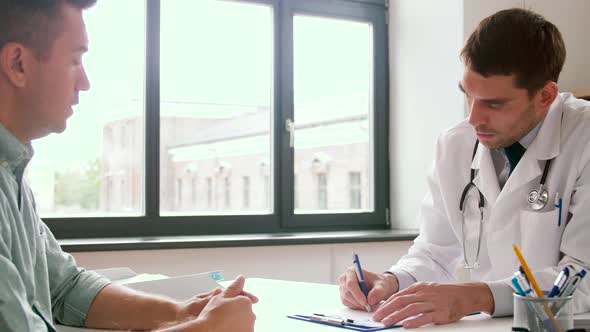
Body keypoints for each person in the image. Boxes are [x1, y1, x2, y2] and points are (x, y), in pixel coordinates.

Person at [0, 1, 257, 331]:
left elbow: (64, 289)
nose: (85, 82)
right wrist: (206, 330)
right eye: (75, 60)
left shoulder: (12, 172)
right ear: (18, 64)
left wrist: (182, 313)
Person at [339, 7, 590, 328]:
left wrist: (477, 296)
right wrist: (393, 280)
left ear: (545, 95)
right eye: (469, 96)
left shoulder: (583, 137)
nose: (473, 119)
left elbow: (584, 274)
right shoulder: (455, 144)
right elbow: (435, 250)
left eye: (494, 104)